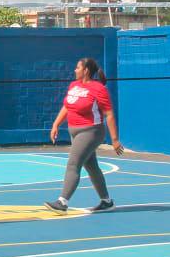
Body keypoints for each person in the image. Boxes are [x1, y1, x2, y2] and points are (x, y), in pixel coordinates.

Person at [45, 58, 124, 214]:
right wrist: (56, 124)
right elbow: (67, 107)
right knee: (91, 166)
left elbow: (109, 114)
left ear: (86, 70)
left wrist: (114, 140)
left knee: (73, 164)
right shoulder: (74, 85)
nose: (75, 70)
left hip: (91, 131)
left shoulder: (98, 88)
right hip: (74, 130)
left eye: (77, 67)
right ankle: (106, 201)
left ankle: (62, 202)